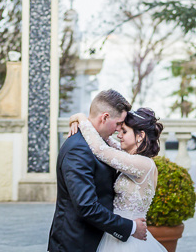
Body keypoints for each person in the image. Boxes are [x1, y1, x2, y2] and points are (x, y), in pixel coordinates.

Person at [48, 89, 147, 252]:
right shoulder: (78, 149)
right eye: (117, 123)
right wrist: (131, 228)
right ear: (105, 117)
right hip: (76, 243)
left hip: (98, 241)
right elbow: (87, 206)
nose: (118, 130)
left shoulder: (102, 144)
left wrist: (78, 117)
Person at [68, 106, 166, 251]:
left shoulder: (144, 164)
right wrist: (74, 118)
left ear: (141, 136)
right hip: (118, 233)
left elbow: (101, 149)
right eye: (119, 131)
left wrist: (82, 118)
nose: (119, 135)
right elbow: (104, 139)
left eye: (124, 131)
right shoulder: (130, 158)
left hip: (131, 240)